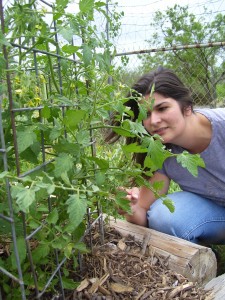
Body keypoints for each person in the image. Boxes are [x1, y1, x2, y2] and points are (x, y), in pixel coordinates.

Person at [106, 67, 225, 246]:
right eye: (146, 114)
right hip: (217, 216)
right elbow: (144, 213)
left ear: (186, 107)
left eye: (162, 108)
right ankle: (203, 260)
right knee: (162, 215)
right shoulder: (160, 150)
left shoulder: (221, 125)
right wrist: (131, 207)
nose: (153, 121)